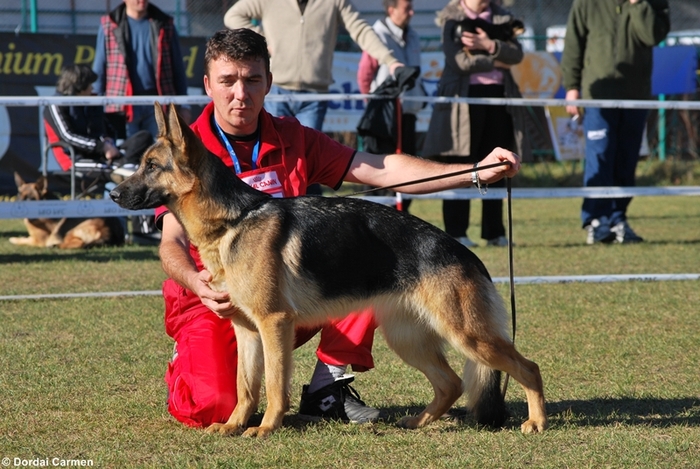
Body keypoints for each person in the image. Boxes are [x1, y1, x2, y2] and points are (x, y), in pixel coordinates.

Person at [158, 28, 521, 429]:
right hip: (213, 304)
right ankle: (196, 365)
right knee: (206, 408)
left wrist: (472, 172)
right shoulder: (187, 151)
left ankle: (326, 389)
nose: (240, 93)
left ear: (269, 83)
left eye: (252, 79)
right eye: (228, 81)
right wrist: (197, 284)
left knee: (368, 259)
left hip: (291, 301)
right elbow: (171, 241)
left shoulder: (294, 137)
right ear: (208, 84)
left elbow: (382, 169)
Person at [223, 0, 405, 195]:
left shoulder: (336, 2)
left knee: (304, 161)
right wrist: (265, 42)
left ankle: (306, 215)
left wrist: (391, 61)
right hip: (276, 91)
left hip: (314, 95)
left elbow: (361, 29)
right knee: (273, 161)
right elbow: (232, 16)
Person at [561, 0, 670, 244]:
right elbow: (573, 44)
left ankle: (618, 218)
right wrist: (572, 87)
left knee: (627, 158)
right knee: (600, 156)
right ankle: (596, 220)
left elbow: (652, 35)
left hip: (636, 96)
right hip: (597, 96)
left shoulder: (653, 3)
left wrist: (638, 4)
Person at [422, 0, 528, 248]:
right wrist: (496, 58)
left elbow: (517, 54)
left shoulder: (503, 17)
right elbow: (459, 61)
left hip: (500, 100)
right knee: (461, 166)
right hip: (463, 104)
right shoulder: (451, 19)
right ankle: (456, 233)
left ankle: (495, 233)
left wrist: (487, 45)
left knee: (499, 166)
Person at [92, 0, 191, 241]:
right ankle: (123, 229)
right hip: (120, 109)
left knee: (157, 170)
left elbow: (178, 67)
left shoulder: (165, 23)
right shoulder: (108, 24)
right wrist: (96, 108)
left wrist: (183, 104)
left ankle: (150, 229)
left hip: (159, 107)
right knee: (125, 167)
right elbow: (99, 68)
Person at [357, 0, 425, 213]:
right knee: (381, 165)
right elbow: (364, 76)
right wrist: (375, 105)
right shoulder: (377, 35)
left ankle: (402, 213)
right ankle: (378, 213)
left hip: (407, 114)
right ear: (391, 9)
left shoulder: (413, 36)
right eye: (407, 9)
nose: (412, 13)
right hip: (385, 117)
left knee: (409, 165)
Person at [43, 64, 152, 184]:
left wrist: (108, 141)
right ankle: (130, 169)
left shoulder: (92, 100)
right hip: (75, 159)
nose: (92, 89)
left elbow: (107, 128)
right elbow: (68, 136)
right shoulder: (55, 104)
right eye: (90, 85)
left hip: (103, 155)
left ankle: (129, 167)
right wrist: (101, 147)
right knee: (120, 171)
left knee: (143, 137)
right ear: (80, 86)